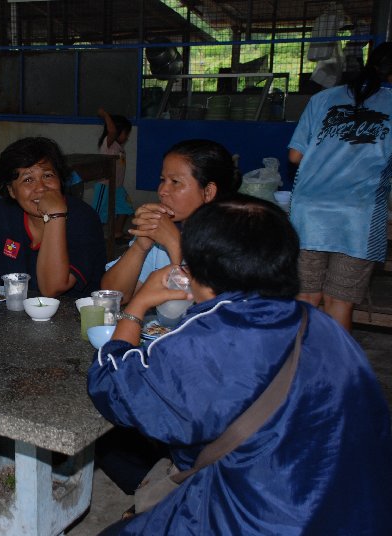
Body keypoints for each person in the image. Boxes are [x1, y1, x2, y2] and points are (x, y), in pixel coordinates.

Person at [89, 194, 392, 535]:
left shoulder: (213, 336)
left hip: (269, 520)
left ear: (197, 268)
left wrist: (137, 306)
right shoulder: (320, 324)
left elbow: (111, 387)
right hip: (364, 509)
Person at [288, 42, 392, 331]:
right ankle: (335, 360)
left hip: (309, 215)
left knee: (305, 297)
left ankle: (299, 357)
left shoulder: (322, 98)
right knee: (339, 301)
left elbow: (295, 156)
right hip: (359, 218)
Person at [0, 136, 106, 298]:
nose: (41, 188)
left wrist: (55, 215)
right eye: (28, 179)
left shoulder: (83, 219)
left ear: (60, 179)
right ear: (11, 191)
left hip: (74, 313)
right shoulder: (1, 214)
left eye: (48, 175)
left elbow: (52, 288)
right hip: (13, 311)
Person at [101, 139, 241, 301]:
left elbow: (213, 307)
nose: (162, 191)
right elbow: (113, 296)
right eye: (163, 180)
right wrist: (140, 246)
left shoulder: (233, 242)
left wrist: (175, 246)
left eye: (175, 182)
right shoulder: (163, 231)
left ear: (208, 192)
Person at [95, 107, 135, 239]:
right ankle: (92, 235)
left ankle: (117, 232)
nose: (127, 136)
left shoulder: (118, 147)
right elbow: (112, 131)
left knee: (126, 208)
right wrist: (105, 114)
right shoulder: (108, 144)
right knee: (98, 214)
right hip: (105, 186)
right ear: (117, 131)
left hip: (117, 187)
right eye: (126, 133)